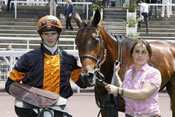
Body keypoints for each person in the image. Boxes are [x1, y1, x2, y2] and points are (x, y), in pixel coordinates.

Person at [5, 15, 90, 117]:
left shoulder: (69, 60)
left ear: (58, 34)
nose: (50, 37)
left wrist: (90, 74)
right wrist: (35, 98)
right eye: (46, 34)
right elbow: (10, 84)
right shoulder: (27, 58)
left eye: (53, 33)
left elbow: (82, 83)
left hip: (59, 109)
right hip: (32, 110)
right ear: (41, 35)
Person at [105, 39, 162, 117]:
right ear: (132, 54)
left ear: (148, 56)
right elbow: (125, 91)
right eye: (137, 51)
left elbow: (143, 94)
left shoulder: (153, 73)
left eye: (144, 52)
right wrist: (116, 74)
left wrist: (117, 90)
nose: (140, 55)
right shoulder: (128, 73)